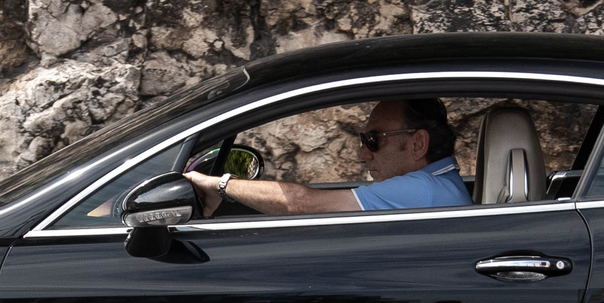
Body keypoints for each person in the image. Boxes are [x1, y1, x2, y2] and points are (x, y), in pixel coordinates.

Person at [191, 99, 468, 215]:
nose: (362, 154)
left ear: (418, 143)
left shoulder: (422, 191)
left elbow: (300, 203)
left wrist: (219, 185)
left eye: (373, 140)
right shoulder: (439, 184)